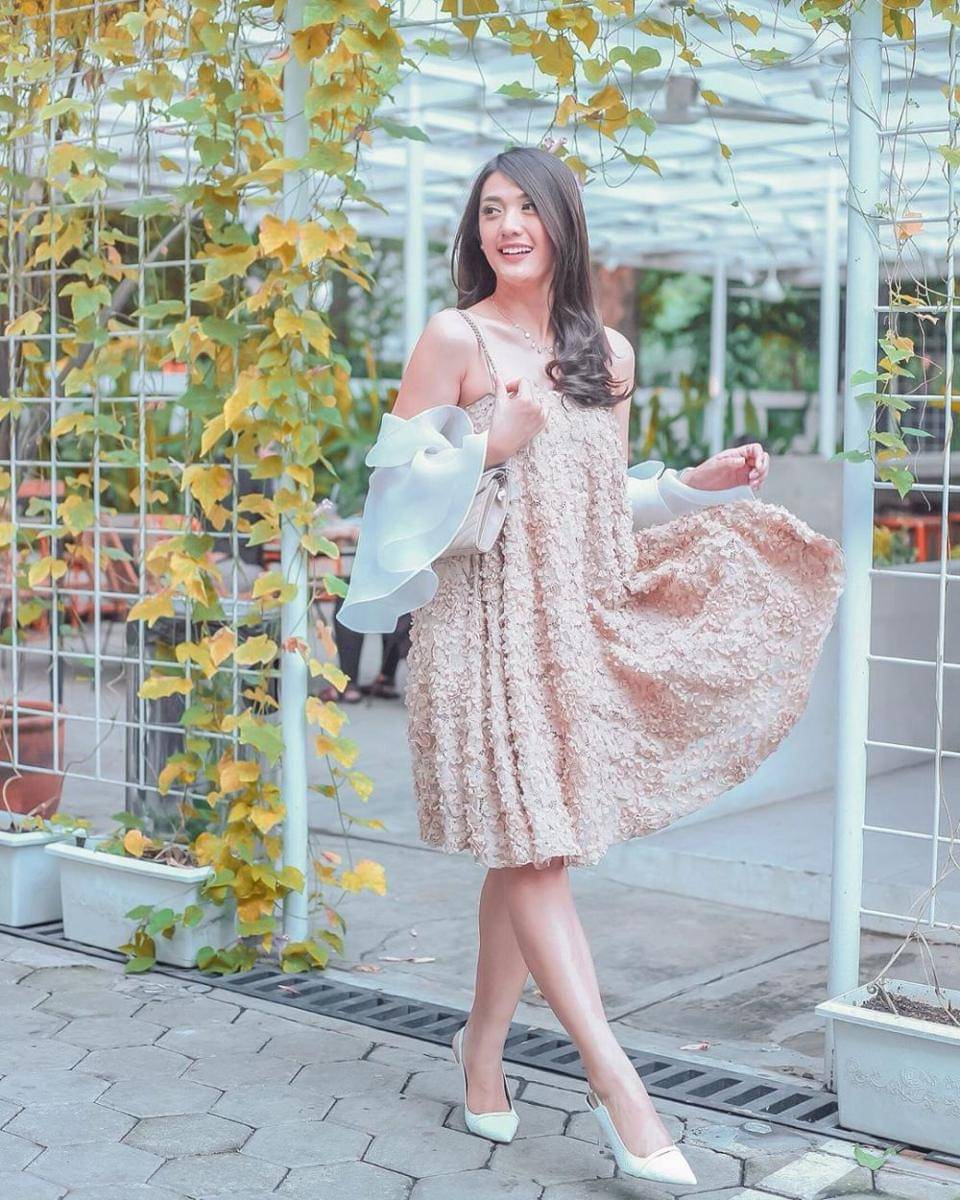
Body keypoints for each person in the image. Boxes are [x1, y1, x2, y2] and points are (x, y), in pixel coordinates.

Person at [339, 146, 844, 1185]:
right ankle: (618, 1084)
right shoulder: (453, 338)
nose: (507, 225)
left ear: (564, 223)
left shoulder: (607, 356)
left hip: (566, 627)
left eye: (527, 207)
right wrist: (491, 442)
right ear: (474, 230)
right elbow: (389, 503)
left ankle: (481, 1048)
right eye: (491, 210)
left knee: (530, 850)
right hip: (482, 632)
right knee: (534, 853)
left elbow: (598, 508)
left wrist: (693, 486)